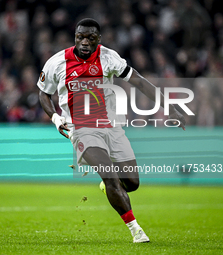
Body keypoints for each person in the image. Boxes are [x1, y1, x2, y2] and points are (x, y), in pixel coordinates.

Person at [37, 18, 185, 243]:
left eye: (90, 38)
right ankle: (136, 230)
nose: (85, 42)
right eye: (80, 37)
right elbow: (43, 92)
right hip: (81, 129)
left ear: (99, 39)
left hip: (111, 127)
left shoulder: (109, 58)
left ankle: (108, 187)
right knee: (110, 175)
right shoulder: (57, 62)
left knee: (132, 183)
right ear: (75, 37)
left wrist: (170, 107)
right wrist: (55, 117)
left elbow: (140, 82)